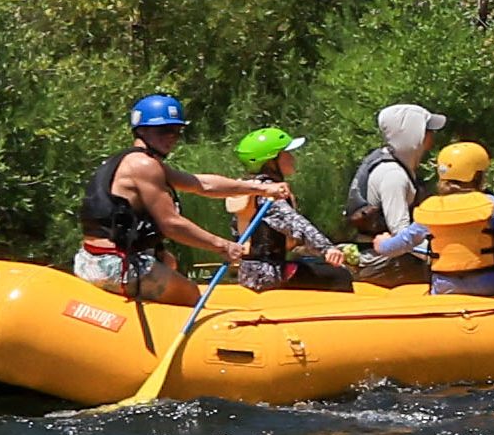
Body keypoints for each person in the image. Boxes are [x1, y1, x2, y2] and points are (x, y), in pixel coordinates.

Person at [74, 93, 293, 307]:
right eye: (164, 130)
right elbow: (172, 225)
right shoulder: (144, 166)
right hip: (113, 264)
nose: (171, 137)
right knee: (190, 293)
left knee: (169, 261)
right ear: (141, 130)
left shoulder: (136, 160)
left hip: (92, 258)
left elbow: (202, 185)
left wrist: (260, 188)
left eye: (176, 131)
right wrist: (223, 246)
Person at [372, 141, 494, 296]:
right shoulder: (491, 204)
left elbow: (402, 243)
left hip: (446, 287)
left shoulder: (433, 209)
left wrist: (382, 244)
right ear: (478, 176)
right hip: (489, 284)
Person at [224, 127, 354, 293]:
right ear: (271, 161)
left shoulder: (248, 188)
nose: (293, 158)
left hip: (249, 272)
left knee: (311, 262)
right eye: (287, 154)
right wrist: (327, 248)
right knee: (340, 276)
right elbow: (297, 224)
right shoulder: (268, 193)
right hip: (270, 274)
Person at [343, 102, 444, 287]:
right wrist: (442, 256)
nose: (433, 136)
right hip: (381, 261)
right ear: (414, 134)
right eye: (428, 130)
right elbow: (402, 238)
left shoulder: (389, 160)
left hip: (379, 255)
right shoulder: (394, 176)